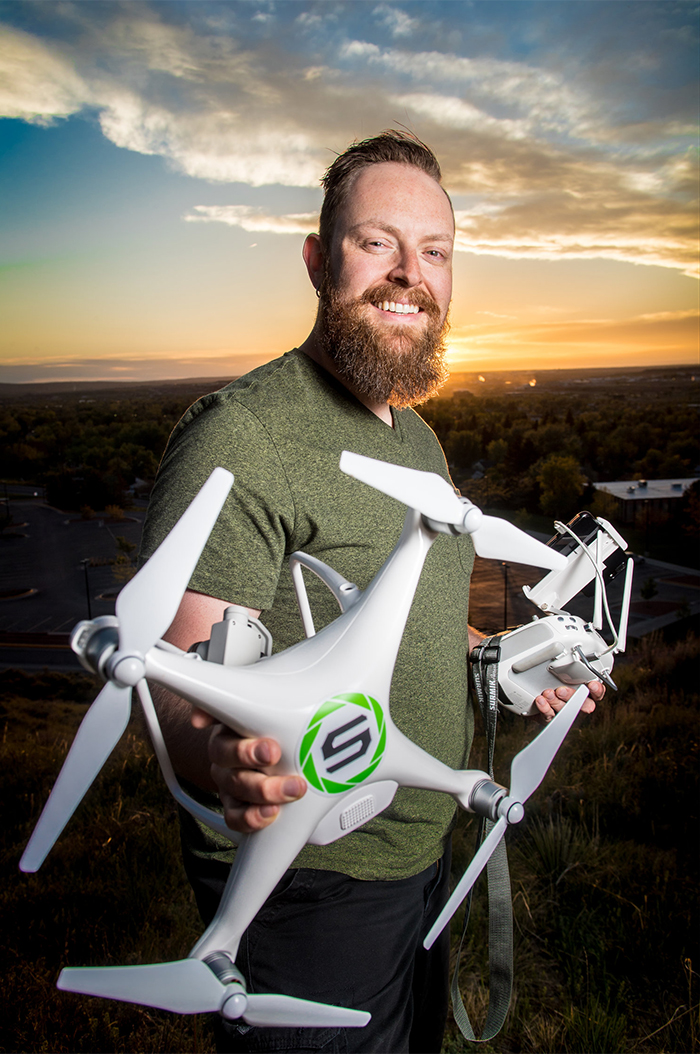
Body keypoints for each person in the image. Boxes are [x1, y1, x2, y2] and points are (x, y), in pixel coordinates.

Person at [140, 130, 603, 1054]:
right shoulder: (244, 439)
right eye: (376, 242)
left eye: (434, 252)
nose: (409, 275)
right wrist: (230, 762)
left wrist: (498, 667)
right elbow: (172, 685)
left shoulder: (416, 441)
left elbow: (418, 620)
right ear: (318, 260)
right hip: (311, 887)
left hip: (423, 852)